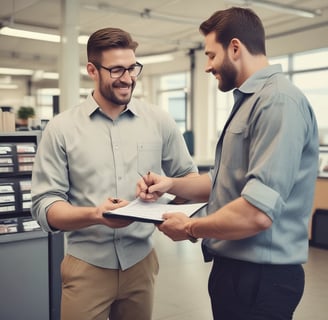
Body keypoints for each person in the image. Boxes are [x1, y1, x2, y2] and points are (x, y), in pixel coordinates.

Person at [137, 7, 319, 320]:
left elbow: (257, 213)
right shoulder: (251, 101)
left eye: (210, 55)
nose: (207, 66)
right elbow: (226, 180)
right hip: (236, 270)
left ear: (235, 48)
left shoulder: (277, 102)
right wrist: (171, 185)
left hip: (261, 278)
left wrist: (191, 227)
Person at [31, 27, 198, 320]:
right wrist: (97, 215)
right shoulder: (61, 129)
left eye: (133, 67)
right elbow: (45, 206)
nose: (128, 78)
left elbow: (190, 179)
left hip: (142, 264)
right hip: (86, 267)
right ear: (92, 70)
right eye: (117, 69)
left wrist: (167, 208)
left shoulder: (159, 120)